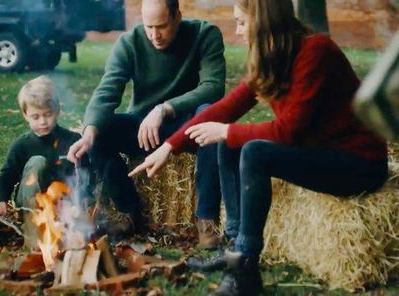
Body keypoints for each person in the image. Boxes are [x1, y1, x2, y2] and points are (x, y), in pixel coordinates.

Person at [129, 0, 388, 294]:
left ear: (264, 21)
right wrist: (169, 146)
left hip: (357, 163)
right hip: (321, 152)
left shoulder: (315, 51)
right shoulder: (274, 56)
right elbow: (226, 107)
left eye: (242, 22)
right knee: (231, 140)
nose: (238, 31)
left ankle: (245, 271)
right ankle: (233, 245)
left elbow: (289, 131)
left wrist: (227, 131)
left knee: (252, 149)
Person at [67, 0, 226, 244]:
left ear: (177, 16)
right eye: (148, 26)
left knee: (210, 115)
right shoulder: (129, 43)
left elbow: (213, 87)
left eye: (161, 26)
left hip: (188, 125)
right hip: (144, 129)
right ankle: (128, 211)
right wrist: (88, 133)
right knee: (100, 132)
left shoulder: (205, 34)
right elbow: (107, 92)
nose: (154, 35)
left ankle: (206, 219)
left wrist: (164, 108)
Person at [0, 75, 93, 249]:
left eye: (48, 115)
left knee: (80, 234)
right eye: (36, 116)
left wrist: (84, 199)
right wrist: (0, 199)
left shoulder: (72, 140)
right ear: (25, 115)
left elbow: (86, 173)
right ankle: (33, 239)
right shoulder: (22, 145)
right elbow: (7, 175)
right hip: (32, 203)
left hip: (65, 203)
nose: (43, 121)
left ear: (57, 111)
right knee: (37, 161)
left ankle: (67, 240)